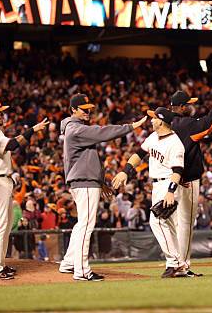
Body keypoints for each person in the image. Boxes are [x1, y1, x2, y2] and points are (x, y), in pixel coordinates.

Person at [58, 93, 146, 281]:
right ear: (73, 110)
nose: (89, 112)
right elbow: (103, 132)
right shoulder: (75, 129)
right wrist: (130, 127)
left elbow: (88, 159)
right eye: (84, 109)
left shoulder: (75, 128)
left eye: (89, 108)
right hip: (83, 182)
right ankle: (81, 271)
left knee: (81, 223)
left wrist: (100, 182)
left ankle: (69, 262)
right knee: (86, 225)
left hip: (84, 180)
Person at [0, 98, 49, 280]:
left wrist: (32, 131)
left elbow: (13, 144)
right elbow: (13, 145)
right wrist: (32, 130)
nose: (2, 115)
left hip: (1, 180)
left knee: (5, 226)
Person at [169, 75, 212, 277]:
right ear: (179, 107)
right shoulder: (185, 124)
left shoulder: (165, 123)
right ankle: (182, 265)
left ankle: (173, 262)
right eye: (187, 104)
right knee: (186, 224)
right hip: (186, 180)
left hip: (167, 180)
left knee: (173, 224)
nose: (190, 106)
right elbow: (211, 121)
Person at [113, 107, 187, 278]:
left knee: (157, 222)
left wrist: (170, 191)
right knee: (169, 226)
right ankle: (180, 265)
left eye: (154, 118)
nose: (151, 120)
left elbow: (177, 170)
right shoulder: (153, 137)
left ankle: (173, 262)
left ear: (161, 121)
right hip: (157, 185)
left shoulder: (175, 143)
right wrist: (126, 171)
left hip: (169, 184)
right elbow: (139, 154)